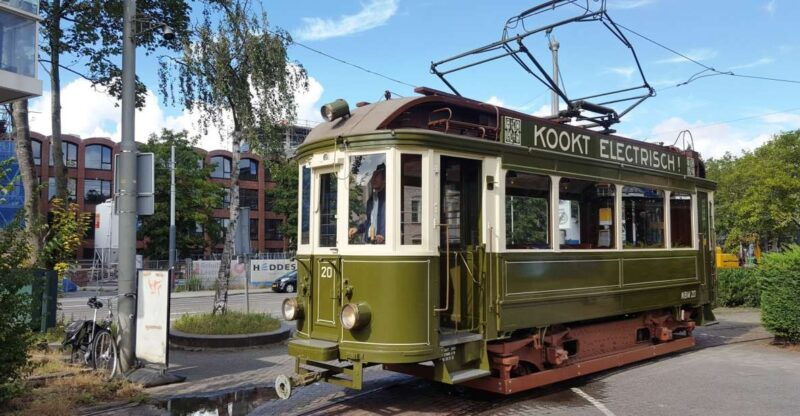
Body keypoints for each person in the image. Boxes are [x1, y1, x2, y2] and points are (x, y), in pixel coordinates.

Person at [349, 163, 385, 244]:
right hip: (369, 242)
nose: (373, 179)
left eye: (377, 176)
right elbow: (370, 221)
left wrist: (384, 235)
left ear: (384, 179)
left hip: (384, 244)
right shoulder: (371, 201)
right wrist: (357, 229)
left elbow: (394, 221)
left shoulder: (389, 199)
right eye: (373, 176)